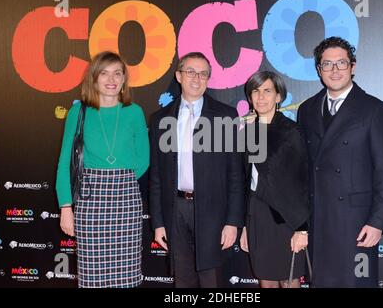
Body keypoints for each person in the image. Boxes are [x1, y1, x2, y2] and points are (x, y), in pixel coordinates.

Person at [297, 37, 383, 287]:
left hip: (356, 223)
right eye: (327, 64)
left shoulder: (374, 109)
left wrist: (377, 222)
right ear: (319, 70)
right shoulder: (307, 109)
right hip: (318, 220)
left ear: (353, 66)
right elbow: (302, 170)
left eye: (341, 63)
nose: (334, 70)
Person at [149, 52, 245, 288]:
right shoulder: (161, 118)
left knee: (211, 280)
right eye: (190, 72)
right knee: (182, 280)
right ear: (179, 76)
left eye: (203, 74)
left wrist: (233, 221)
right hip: (175, 210)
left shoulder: (226, 116)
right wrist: (159, 222)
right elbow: (156, 177)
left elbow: (236, 174)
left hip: (213, 211)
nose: (197, 78)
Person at [56, 51, 150, 288]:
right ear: (94, 78)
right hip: (90, 201)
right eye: (104, 73)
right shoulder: (79, 112)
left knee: (126, 276)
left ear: (123, 80)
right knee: (92, 276)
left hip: (126, 203)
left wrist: (121, 179)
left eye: (117, 73)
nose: (111, 79)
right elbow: (65, 162)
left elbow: (143, 159)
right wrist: (66, 207)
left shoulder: (134, 112)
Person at [239, 71, 310, 288]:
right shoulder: (247, 133)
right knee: (266, 281)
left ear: (278, 97)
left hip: (286, 217)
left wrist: (302, 228)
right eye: (256, 91)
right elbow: (245, 180)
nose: (261, 97)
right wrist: (244, 225)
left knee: (289, 281)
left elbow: (304, 181)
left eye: (267, 91)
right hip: (257, 215)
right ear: (250, 97)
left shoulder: (292, 131)